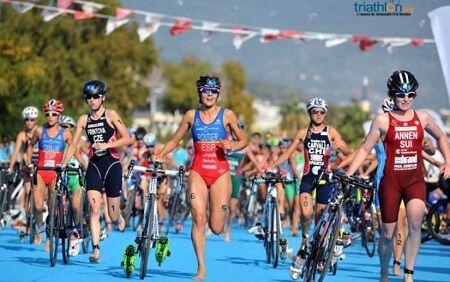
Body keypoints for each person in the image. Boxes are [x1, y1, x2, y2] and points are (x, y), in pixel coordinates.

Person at [345, 70, 450, 282]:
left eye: (411, 94)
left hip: (414, 181)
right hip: (390, 182)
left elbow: (440, 136)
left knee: (414, 224)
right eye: (401, 95)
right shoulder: (382, 120)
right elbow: (365, 149)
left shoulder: (423, 117)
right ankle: (384, 270)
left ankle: (408, 273)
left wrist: (448, 161)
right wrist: (349, 173)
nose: (406, 99)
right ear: (392, 95)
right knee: (387, 233)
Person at [152, 74, 248, 280]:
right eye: (206, 90)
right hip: (198, 170)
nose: (209, 94)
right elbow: (175, 140)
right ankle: (201, 267)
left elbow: (244, 140)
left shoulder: (227, 115)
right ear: (200, 92)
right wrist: (159, 154)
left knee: (216, 227)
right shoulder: (190, 115)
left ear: (218, 94)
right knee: (198, 218)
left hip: (220, 172)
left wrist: (233, 145)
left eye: (213, 91)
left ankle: (217, 226)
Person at [269, 97, 352, 272]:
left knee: (319, 218)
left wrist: (340, 147)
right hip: (307, 178)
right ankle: (305, 239)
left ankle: (319, 249)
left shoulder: (330, 131)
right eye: (315, 111)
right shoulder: (303, 133)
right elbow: (288, 153)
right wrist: (273, 165)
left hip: (325, 179)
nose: (319, 115)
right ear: (309, 113)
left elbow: (348, 150)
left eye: (322, 112)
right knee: (305, 213)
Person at [62, 80, 131, 263]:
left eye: (95, 97)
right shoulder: (84, 119)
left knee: (113, 213)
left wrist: (107, 144)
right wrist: (63, 163)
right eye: (88, 97)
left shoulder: (111, 115)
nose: (92, 100)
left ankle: (119, 216)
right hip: (94, 166)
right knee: (94, 209)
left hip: (112, 164)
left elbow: (127, 139)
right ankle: (96, 250)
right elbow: (74, 144)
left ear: (103, 98)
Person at [26, 100, 72, 250]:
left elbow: (74, 150)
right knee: (38, 206)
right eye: (47, 114)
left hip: (55, 173)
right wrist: (28, 161)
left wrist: (67, 163)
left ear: (59, 115)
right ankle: (39, 229)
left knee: (53, 207)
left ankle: (50, 236)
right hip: (40, 171)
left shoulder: (66, 133)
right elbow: (31, 145)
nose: (50, 117)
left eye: (54, 114)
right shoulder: (39, 131)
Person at [8, 107, 40, 229]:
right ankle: (26, 216)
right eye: (26, 119)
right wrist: (10, 168)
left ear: (36, 120)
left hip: (41, 163)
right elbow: (16, 152)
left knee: (40, 194)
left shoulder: (40, 132)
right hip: (28, 163)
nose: (29, 122)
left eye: (32, 119)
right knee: (27, 189)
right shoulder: (22, 135)